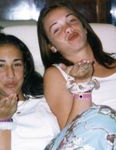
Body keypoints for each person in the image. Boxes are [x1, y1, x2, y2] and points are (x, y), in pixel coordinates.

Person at [37, 2, 116, 149]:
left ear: (84, 28)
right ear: (52, 47)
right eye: (56, 29)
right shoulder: (56, 74)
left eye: (72, 20)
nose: (68, 28)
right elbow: (73, 135)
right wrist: (82, 84)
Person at [0, 33, 60, 150]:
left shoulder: (47, 100)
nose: (11, 74)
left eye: (17, 64)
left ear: (25, 69)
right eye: (0, 66)